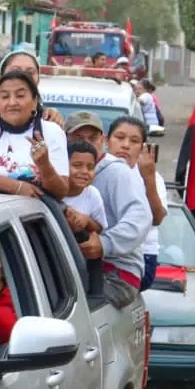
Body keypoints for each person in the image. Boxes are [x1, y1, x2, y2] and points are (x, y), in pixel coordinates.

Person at [64, 111, 152, 308]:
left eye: (92, 138)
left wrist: (105, 244)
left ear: (102, 140)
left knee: (68, 309)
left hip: (116, 274)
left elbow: (141, 217)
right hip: (77, 267)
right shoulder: (58, 175)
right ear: (65, 140)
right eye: (78, 138)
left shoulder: (118, 173)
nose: (86, 143)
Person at [0, 71, 69, 198]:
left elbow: (60, 192)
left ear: (35, 101)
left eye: (20, 96)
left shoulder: (52, 131)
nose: (12, 102)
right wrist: (16, 187)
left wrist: (44, 165)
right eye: (5, 97)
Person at [104, 115, 167, 289]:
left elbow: (157, 218)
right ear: (106, 141)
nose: (125, 145)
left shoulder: (152, 177)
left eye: (134, 141)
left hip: (141, 258)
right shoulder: (95, 170)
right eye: (119, 137)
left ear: (142, 147)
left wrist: (148, 178)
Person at [62, 140, 107, 235]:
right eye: (77, 166)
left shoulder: (92, 194)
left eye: (90, 167)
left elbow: (100, 229)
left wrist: (87, 220)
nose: (85, 171)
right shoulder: (51, 190)